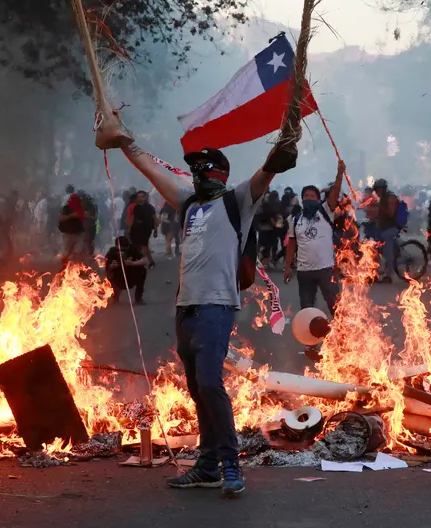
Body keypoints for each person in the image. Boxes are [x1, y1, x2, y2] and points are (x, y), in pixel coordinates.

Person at [116, 112, 294, 494]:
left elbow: (266, 174)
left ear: (219, 173)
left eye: (202, 168)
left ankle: (231, 465)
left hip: (217, 306)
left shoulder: (237, 201)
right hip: (186, 309)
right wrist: (124, 142)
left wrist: (280, 152)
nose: (196, 174)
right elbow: (150, 170)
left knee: (212, 384)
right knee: (198, 389)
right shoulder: (188, 203)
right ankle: (208, 464)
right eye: (193, 169)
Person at [284, 162, 346, 361]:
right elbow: (291, 245)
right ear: (302, 200)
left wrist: (339, 174)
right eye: (306, 196)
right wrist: (287, 267)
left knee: (334, 305)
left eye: (313, 196)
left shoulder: (325, 212)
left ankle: (343, 340)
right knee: (307, 310)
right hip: (304, 272)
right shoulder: (295, 220)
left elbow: (335, 193)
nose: (309, 198)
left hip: (325, 269)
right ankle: (310, 345)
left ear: (319, 200)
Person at [105, 235, 148, 304]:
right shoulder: (112, 251)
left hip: (131, 275)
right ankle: (114, 295)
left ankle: (138, 297)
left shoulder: (133, 249)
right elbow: (104, 268)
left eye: (124, 250)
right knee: (106, 275)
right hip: (118, 277)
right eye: (120, 250)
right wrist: (111, 266)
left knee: (143, 270)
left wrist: (133, 263)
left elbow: (145, 260)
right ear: (116, 247)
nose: (122, 252)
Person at [373, 178, 399, 283]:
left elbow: (391, 214)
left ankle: (389, 275)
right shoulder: (383, 198)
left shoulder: (390, 198)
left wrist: (382, 209)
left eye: (378, 190)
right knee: (374, 250)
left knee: (388, 254)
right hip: (381, 228)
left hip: (390, 229)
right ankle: (374, 273)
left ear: (383, 189)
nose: (376, 193)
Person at [128, 190, 158, 267]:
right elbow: (133, 218)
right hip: (136, 229)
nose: (140, 198)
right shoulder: (136, 207)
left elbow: (154, 218)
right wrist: (129, 228)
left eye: (142, 196)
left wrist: (155, 230)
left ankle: (148, 261)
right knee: (141, 246)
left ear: (146, 197)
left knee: (144, 245)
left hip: (146, 229)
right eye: (139, 197)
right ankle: (149, 261)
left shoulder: (150, 207)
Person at [58, 192, 85, 267]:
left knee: (78, 252)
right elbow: (61, 218)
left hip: (79, 234)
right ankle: (64, 268)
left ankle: (77, 268)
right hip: (68, 234)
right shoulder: (66, 208)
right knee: (66, 252)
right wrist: (72, 216)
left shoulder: (80, 208)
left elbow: (83, 218)